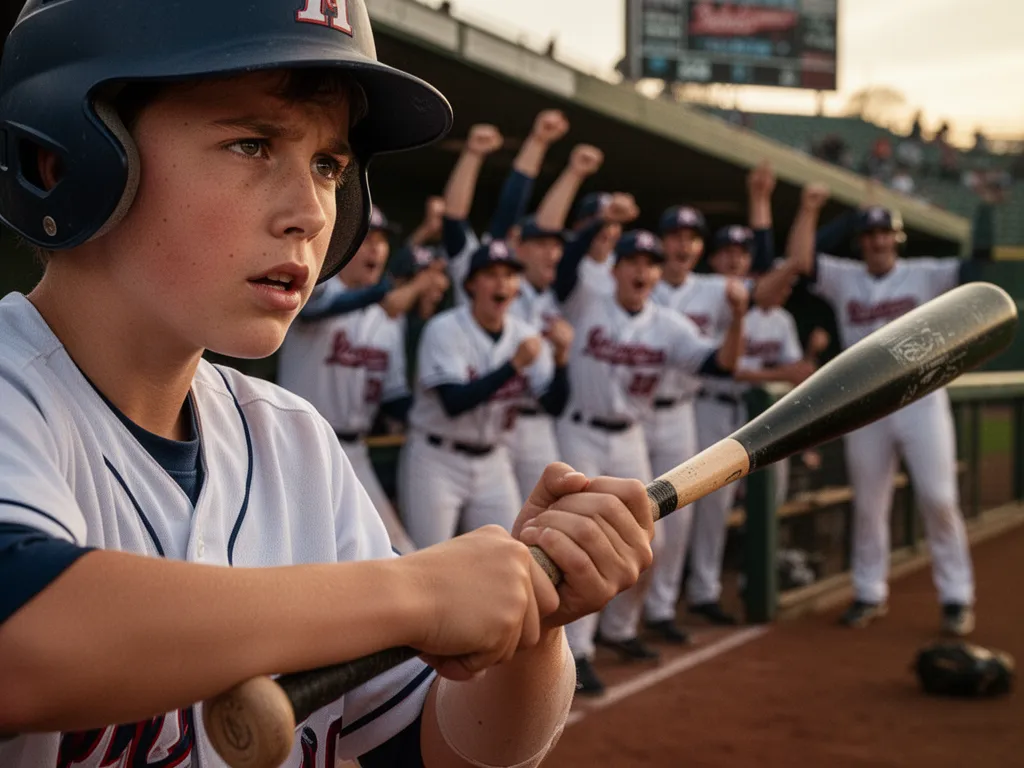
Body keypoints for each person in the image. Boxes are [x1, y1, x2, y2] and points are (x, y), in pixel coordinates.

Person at [0, 3, 657, 766]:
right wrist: (417, 594)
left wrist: (528, 627)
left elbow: (431, 748)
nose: (312, 213)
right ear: (65, 158)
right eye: (252, 144)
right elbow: (23, 643)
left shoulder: (292, 440)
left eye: (328, 166)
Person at [782, 184, 986, 636]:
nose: (877, 241)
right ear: (861, 241)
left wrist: (986, 210)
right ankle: (869, 592)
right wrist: (817, 211)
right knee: (870, 505)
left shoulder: (925, 274)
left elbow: (979, 268)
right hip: (867, 405)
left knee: (939, 498)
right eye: (870, 234)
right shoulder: (844, 276)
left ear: (896, 238)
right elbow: (800, 259)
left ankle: (957, 596)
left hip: (920, 398)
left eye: (884, 234)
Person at [555, 226, 747, 695]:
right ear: (615, 270)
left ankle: (621, 629)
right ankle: (577, 652)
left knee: (649, 544)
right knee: (586, 541)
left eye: (650, 264)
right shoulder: (588, 301)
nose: (642, 270)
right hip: (580, 431)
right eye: (633, 262)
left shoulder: (668, 325)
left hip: (630, 438)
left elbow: (719, 365)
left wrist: (739, 317)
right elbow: (568, 266)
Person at [277, 206, 446, 554]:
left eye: (382, 240)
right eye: (368, 238)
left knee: (397, 549)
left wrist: (435, 412)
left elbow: (394, 394)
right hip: (294, 443)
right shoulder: (317, 284)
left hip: (354, 450)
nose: (376, 249)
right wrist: (393, 291)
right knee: (297, 550)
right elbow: (316, 310)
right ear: (345, 243)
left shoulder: (388, 318)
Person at [399, 240, 571, 548]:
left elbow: (553, 405)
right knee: (428, 562)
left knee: (509, 554)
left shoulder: (524, 335)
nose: (502, 282)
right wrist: (513, 365)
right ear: (471, 284)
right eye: (491, 274)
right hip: (437, 459)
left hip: (494, 460)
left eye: (509, 274)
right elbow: (454, 402)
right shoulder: (444, 329)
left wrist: (561, 360)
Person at [505, 143, 604, 504]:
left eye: (556, 247)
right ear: (520, 248)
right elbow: (518, 214)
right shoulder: (498, 283)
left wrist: (562, 355)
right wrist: (574, 172)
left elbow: (573, 253)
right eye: (543, 245)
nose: (553, 252)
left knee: (547, 516)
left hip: (539, 421)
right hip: (496, 420)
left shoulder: (557, 296)